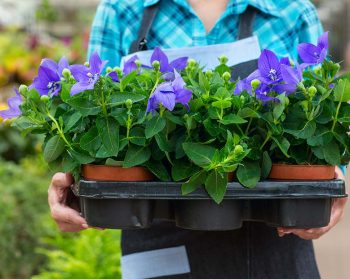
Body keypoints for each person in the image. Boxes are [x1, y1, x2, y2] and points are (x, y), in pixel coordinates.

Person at [48, 0, 348, 278]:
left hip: (274, 244)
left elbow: (318, 121)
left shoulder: (292, 10)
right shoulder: (122, 9)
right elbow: (92, 124)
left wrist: (329, 185)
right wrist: (72, 184)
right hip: (156, 239)